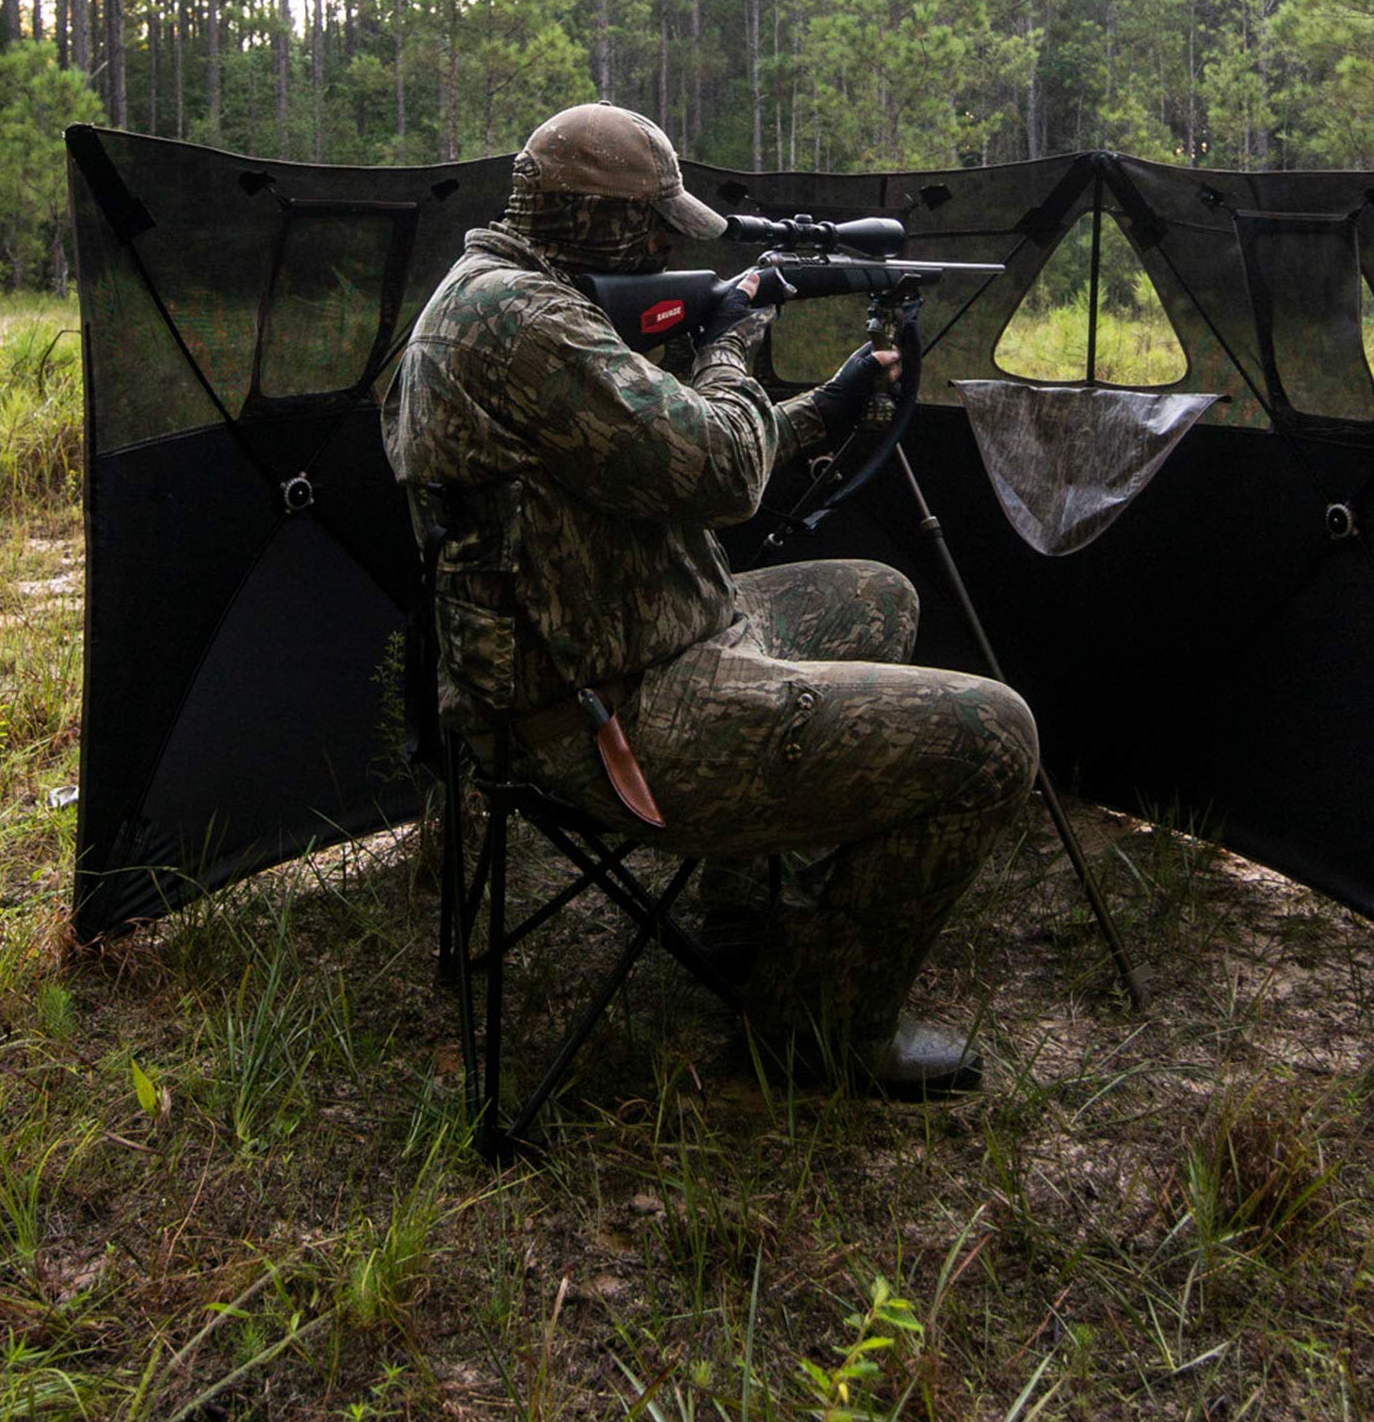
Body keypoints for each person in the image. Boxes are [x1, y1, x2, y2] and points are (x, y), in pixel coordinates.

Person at [385, 102, 1038, 1097]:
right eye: (648, 227)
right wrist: (730, 334)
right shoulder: (528, 324)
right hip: (613, 713)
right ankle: (819, 1033)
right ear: (602, 229)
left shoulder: (501, 298)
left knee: (876, 596)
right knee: (996, 737)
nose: (657, 246)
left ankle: (741, 926)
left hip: (622, 643)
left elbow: (661, 460)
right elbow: (723, 471)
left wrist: (823, 408)